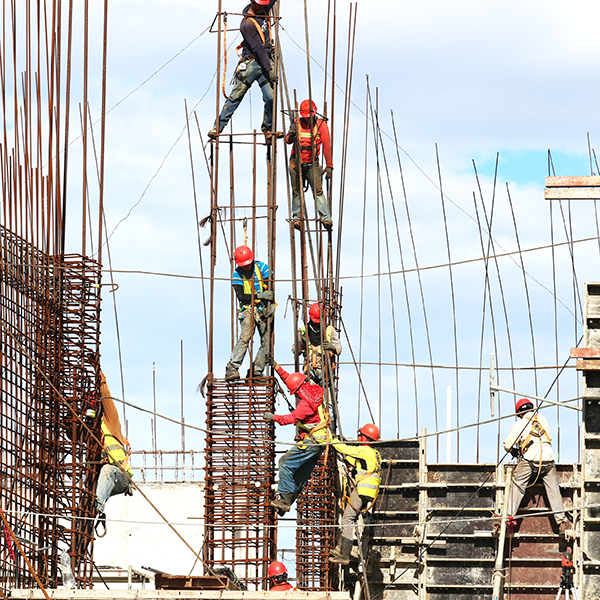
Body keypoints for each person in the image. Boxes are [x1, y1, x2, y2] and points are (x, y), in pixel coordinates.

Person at [263, 362, 331, 514]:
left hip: (312, 442)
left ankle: (285, 499)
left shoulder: (305, 404)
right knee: (300, 476)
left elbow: (290, 419)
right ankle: (286, 502)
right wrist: (276, 367)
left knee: (285, 464)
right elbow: (291, 379)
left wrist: (273, 417)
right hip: (320, 443)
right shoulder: (314, 391)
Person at [208, 0, 281, 140]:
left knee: (271, 98)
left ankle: (268, 128)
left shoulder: (264, 8)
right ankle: (218, 126)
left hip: (266, 61)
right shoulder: (247, 24)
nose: (262, 6)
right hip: (252, 63)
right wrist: (270, 70)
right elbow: (258, 49)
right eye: (259, 4)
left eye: (263, 4)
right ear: (252, 2)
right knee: (236, 96)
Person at [501, 398, 570, 533]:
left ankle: (508, 516)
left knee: (517, 484)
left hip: (530, 460)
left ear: (520, 413)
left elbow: (507, 444)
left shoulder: (522, 423)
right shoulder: (542, 419)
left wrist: (514, 451)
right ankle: (561, 521)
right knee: (554, 490)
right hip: (548, 460)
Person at [329, 424, 381, 565]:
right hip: (369, 492)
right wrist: (346, 459)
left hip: (362, 489)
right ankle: (341, 549)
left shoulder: (364, 449)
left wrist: (331, 440)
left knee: (347, 519)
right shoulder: (375, 453)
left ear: (364, 437)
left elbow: (346, 449)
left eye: (360, 435)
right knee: (350, 517)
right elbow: (356, 461)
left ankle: (344, 554)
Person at [225, 245, 274, 381]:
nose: (246, 267)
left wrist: (271, 304)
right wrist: (260, 296)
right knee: (245, 338)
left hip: (263, 309)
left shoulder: (262, 268)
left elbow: (270, 288)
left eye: (247, 264)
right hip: (247, 309)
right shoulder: (237, 274)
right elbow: (241, 296)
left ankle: (256, 371)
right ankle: (232, 369)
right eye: (243, 265)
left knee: (267, 341)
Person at [95, 372, 133, 535]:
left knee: (108, 470)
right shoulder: (91, 435)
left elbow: (107, 400)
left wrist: (101, 380)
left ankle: (97, 505)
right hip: (105, 481)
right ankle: (92, 509)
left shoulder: (110, 422)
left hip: (121, 476)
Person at [286, 99, 333, 230]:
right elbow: (288, 141)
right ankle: (296, 218)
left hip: (312, 165)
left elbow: (327, 146)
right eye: (306, 117)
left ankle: (325, 218)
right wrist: (291, 135)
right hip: (296, 163)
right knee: (296, 191)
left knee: (318, 192)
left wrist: (329, 165)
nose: (308, 119)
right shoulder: (296, 123)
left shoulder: (321, 125)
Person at [292, 302, 342, 386]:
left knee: (327, 398)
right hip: (310, 373)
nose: (317, 324)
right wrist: (302, 343)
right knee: (311, 397)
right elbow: (295, 351)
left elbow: (339, 349)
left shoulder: (329, 330)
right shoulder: (303, 330)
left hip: (326, 372)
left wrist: (332, 347)